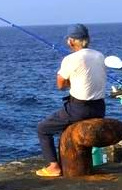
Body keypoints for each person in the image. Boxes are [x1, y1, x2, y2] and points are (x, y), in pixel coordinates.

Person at [35, 24, 107, 178]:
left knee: (43, 128)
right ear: (87, 39)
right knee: (65, 130)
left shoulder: (70, 59)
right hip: (99, 108)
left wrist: (70, 81)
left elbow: (60, 85)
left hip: (79, 108)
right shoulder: (99, 56)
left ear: (71, 41)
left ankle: (53, 167)